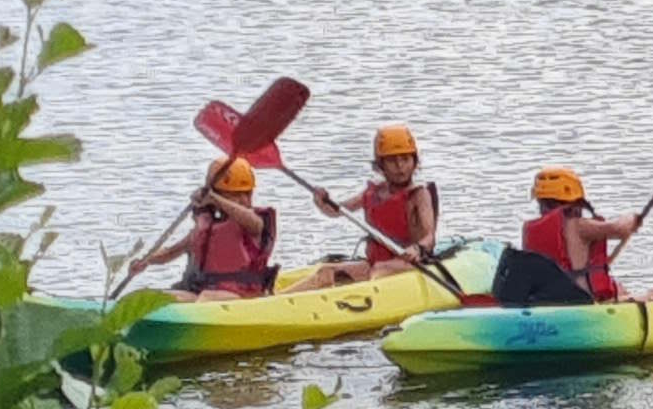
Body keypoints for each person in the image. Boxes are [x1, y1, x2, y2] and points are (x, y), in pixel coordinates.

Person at [509, 166, 653, 304]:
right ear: (574, 200)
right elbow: (619, 228)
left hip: (547, 301)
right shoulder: (579, 226)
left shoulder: (529, 230)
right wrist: (633, 219)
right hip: (584, 304)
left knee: (619, 288)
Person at [301, 123, 440, 289]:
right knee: (326, 272)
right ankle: (272, 300)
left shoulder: (419, 195)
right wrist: (321, 202)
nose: (400, 167)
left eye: (405, 159)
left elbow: (429, 238)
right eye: (392, 160)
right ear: (380, 165)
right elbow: (338, 211)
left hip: (409, 262)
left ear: (415, 161)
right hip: (376, 262)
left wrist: (417, 249)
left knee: (379, 271)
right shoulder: (374, 193)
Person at [135, 157, 278, 300]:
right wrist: (145, 260)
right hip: (203, 294)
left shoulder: (253, 223)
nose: (244, 200)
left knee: (208, 296)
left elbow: (254, 223)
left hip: (245, 296)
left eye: (247, 193)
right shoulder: (206, 227)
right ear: (218, 192)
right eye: (235, 195)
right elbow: (169, 253)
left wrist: (214, 198)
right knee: (148, 298)